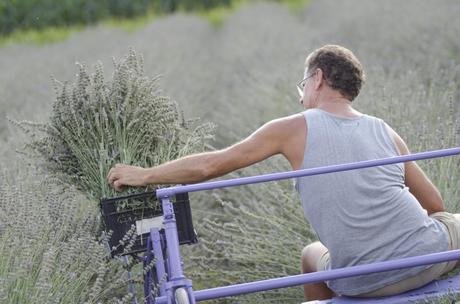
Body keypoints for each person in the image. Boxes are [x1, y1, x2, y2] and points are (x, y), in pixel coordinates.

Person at [107, 44, 460, 300]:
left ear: (317, 78)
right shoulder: (384, 130)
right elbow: (434, 204)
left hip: (359, 284)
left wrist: (144, 174)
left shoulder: (292, 128)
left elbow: (210, 165)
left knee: (311, 253)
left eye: (302, 85)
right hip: (427, 259)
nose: (300, 94)